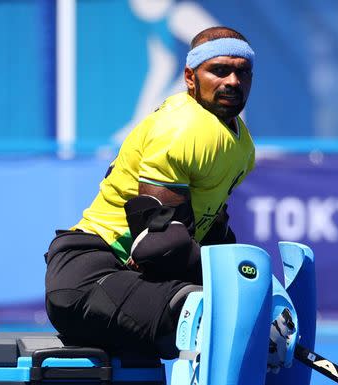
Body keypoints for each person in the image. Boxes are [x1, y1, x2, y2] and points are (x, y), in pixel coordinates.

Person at [45, 26, 256, 359]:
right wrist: (239, 297)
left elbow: (213, 231)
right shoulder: (183, 128)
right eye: (219, 70)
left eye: (242, 72)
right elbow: (159, 247)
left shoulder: (240, 143)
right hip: (89, 277)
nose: (232, 81)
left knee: (241, 310)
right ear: (190, 77)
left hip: (128, 281)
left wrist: (247, 286)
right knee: (211, 316)